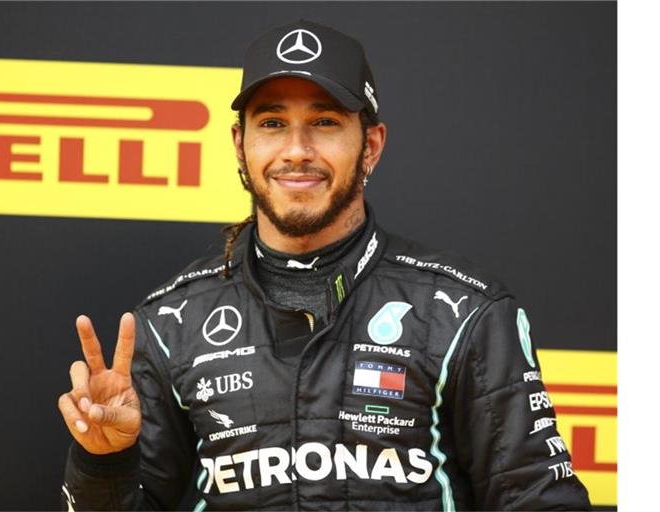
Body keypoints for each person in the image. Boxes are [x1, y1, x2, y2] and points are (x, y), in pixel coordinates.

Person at [57, 19, 592, 511]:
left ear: (371, 146)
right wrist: (104, 463)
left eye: (325, 122)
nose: (297, 150)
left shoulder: (461, 312)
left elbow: (540, 499)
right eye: (272, 122)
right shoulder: (170, 324)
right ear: (240, 145)